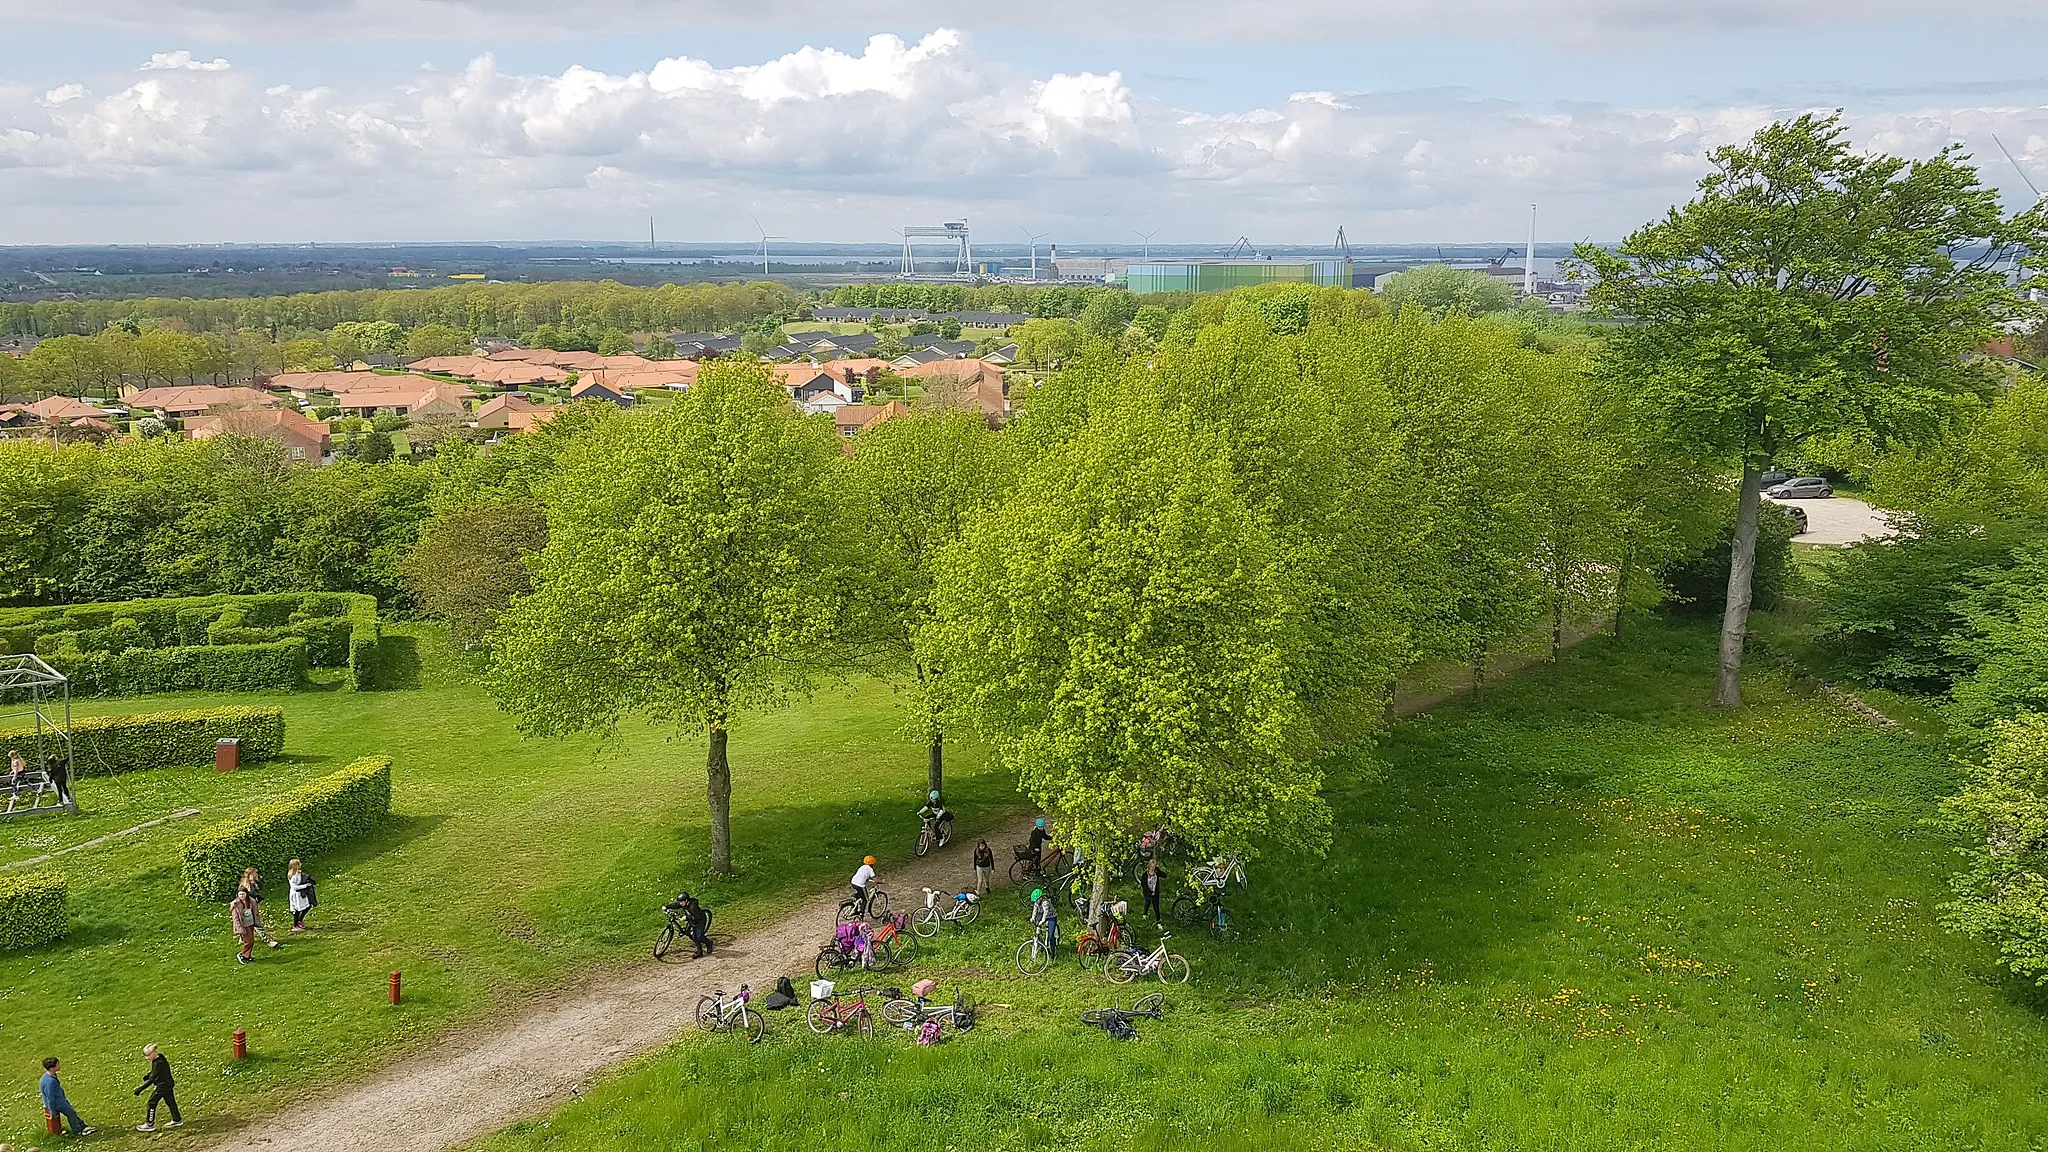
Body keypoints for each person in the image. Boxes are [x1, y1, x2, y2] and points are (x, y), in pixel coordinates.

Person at [38, 1057, 92, 1136]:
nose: (59, 1066)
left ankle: (82, 1125)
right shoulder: (50, 1081)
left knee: (72, 1112)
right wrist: (52, 1111)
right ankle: (77, 1130)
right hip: (58, 1103)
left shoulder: (47, 1077)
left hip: (60, 1100)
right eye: (57, 1064)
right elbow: (50, 1098)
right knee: (71, 1113)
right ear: (52, 1068)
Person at [133, 1044, 180, 1132]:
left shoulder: (159, 1063)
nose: (147, 1058)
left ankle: (150, 1124)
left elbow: (152, 1079)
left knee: (152, 1102)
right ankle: (177, 1119)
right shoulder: (160, 1058)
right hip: (168, 1084)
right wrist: (148, 1075)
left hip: (163, 1086)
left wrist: (140, 1089)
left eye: (148, 1055)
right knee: (170, 1102)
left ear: (154, 1053)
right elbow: (156, 1072)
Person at [239, 868, 280, 950]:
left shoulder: (252, 883)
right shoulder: (246, 886)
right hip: (248, 909)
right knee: (257, 924)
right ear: (249, 875)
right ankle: (268, 941)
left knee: (246, 924)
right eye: (254, 874)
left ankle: (242, 938)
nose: (256, 875)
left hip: (251, 907)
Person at [230, 888, 258, 963]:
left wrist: (257, 922)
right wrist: (240, 930)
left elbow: (255, 912)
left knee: (251, 941)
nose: (241, 896)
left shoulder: (251, 902)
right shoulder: (236, 904)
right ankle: (242, 954)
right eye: (240, 894)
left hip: (251, 924)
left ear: (246, 894)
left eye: (243, 894)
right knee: (248, 941)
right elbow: (236, 919)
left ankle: (247, 956)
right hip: (244, 926)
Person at [1029, 886, 1058, 956]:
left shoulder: (1045, 903)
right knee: (1037, 925)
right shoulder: (1036, 902)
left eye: (1036, 900)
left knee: (1051, 935)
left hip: (1051, 916)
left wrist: (1042, 921)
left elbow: (1045, 913)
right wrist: (1033, 917)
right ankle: (1040, 939)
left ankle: (1053, 950)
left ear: (1040, 898)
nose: (1035, 902)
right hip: (1043, 914)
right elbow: (1035, 910)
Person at [287, 860, 315, 931]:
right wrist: (305, 886)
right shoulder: (292, 877)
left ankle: (300, 920)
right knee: (297, 910)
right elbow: (295, 887)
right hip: (296, 895)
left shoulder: (298, 874)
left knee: (307, 906)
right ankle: (295, 925)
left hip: (301, 894)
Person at [1142, 858, 1164, 926]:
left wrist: (1158, 870)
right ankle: (1145, 913)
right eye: (1151, 867)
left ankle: (1158, 920)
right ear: (1149, 866)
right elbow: (1143, 884)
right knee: (1147, 903)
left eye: (1154, 867)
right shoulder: (1145, 874)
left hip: (1155, 893)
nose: (1152, 868)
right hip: (1148, 893)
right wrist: (1148, 892)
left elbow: (1164, 875)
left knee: (1156, 906)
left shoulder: (1157, 873)